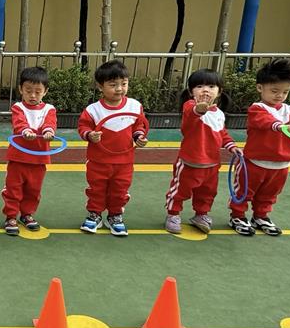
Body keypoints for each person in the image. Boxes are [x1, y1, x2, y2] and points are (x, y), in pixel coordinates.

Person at [230, 58, 290, 236]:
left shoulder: (288, 110)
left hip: (281, 164)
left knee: (270, 193)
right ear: (260, 88)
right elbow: (266, 121)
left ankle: (261, 216)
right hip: (255, 162)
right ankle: (237, 216)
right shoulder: (257, 108)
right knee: (244, 190)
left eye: (285, 92)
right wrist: (282, 126)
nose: (279, 95)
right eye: (274, 91)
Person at [77, 60, 150, 236]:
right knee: (96, 189)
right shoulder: (93, 110)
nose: (119, 89)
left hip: (124, 162)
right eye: (113, 85)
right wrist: (90, 135)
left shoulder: (134, 106)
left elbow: (139, 125)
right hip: (98, 161)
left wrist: (139, 137)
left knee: (120, 189)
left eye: (124, 84)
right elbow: (83, 127)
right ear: (100, 86)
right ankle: (95, 214)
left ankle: (115, 215)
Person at [164, 69, 237, 235]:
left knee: (207, 193)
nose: (205, 90)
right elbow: (192, 115)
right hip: (189, 162)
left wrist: (231, 146)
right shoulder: (190, 107)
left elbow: (222, 134)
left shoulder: (219, 114)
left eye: (211, 86)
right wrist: (200, 109)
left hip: (212, 164)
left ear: (219, 91)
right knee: (180, 190)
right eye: (199, 86)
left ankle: (201, 214)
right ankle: (173, 214)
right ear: (191, 92)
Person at [2, 67, 57, 235]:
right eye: (28, 91)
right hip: (18, 157)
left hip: (39, 159)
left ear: (45, 91)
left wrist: (48, 131)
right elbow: (19, 122)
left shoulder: (49, 109)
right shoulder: (18, 107)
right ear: (21, 89)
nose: (33, 95)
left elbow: (50, 123)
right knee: (13, 188)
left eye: (38, 92)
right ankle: (11, 216)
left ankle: (27, 214)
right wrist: (25, 130)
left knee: (34, 189)